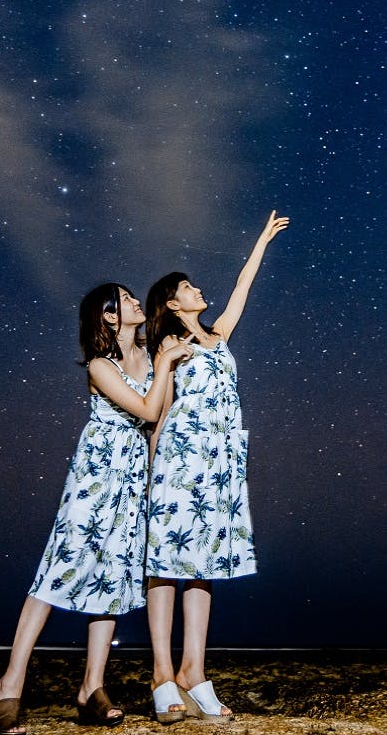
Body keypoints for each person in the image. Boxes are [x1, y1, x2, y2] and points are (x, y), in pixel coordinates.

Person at [0, 283, 196, 735]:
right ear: (110, 317)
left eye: (135, 297)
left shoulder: (152, 355)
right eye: (126, 300)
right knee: (57, 570)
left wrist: (159, 477)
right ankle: (8, 684)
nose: (137, 301)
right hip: (97, 475)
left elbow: (164, 418)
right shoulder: (102, 364)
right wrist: (164, 365)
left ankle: (91, 688)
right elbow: (146, 409)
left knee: (112, 575)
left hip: (135, 477)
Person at [143, 211, 289, 724]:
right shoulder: (165, 345)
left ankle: (193, 671)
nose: (197, 288)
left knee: (204, 567)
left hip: (221, 462)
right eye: (187, 286)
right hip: (180, 458)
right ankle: (162, 674)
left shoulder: (218, 336)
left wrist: (261, 242)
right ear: (170, 302)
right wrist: (151, 463)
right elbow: (157, 408)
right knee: (164, 562)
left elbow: (242, 286)